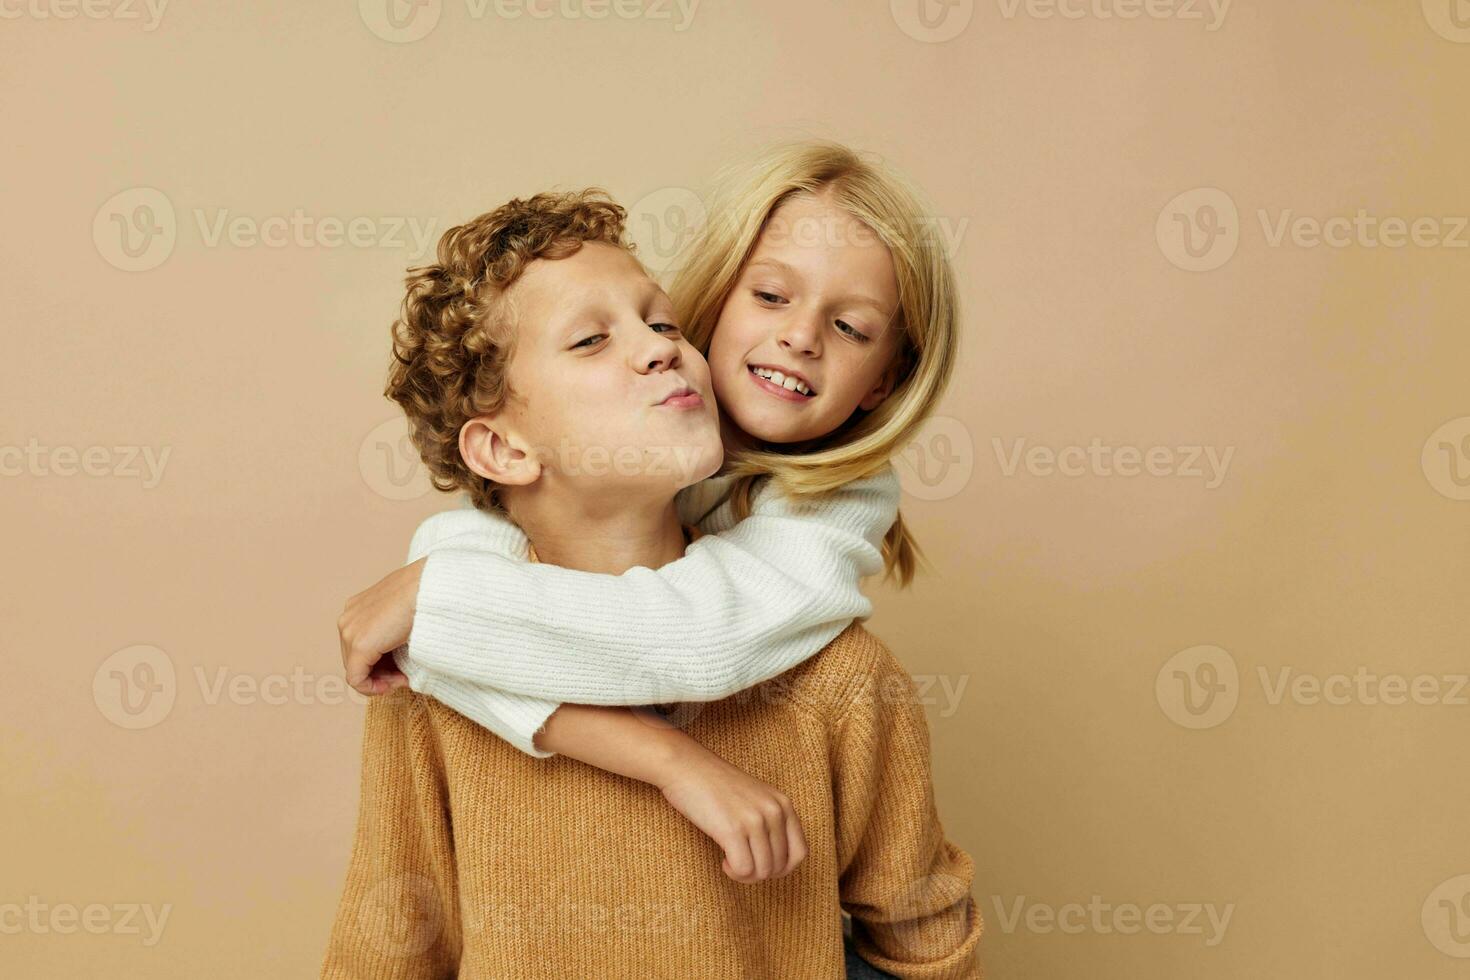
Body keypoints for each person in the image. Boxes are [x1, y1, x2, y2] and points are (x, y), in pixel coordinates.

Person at [323, 188, 982, 977]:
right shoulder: (435, 682)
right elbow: (390, 945)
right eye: (592, 340)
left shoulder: (841, 677)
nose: (662, 348)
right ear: (501, 450)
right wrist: (673, 763)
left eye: (664, 323)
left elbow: (926, 943)